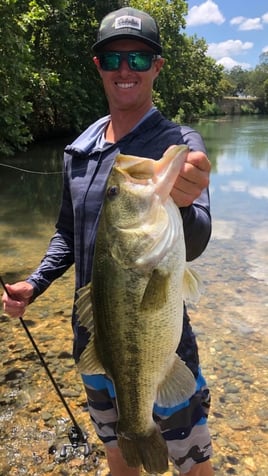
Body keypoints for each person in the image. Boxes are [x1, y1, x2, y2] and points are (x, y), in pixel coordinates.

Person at [2, 7, 214, 476]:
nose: (125, 70)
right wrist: (34, 284)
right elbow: (67, 231)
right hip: (94, 343)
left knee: (195, 464)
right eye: (113, 58)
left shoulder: (178, 142)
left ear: (157, 66)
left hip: (161, 347)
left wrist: (183, 198)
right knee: (118, 455)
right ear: (97, 66)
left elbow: (196, 236)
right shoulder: (79, 148)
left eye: (139, 59)